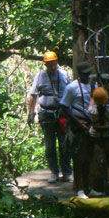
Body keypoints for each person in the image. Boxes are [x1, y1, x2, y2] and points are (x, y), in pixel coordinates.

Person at [27, 51, 72, 183]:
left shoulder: (64, 75)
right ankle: (54, 172)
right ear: (45, 64)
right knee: (50, 145)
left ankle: (66, 172)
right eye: (49, 64)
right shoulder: (40, 76)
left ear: (57, 62)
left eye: (54, 64)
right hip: (46, 114)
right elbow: (33, 95)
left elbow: (71, 92)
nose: (52, 67)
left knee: (65, 144)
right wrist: (31, 113)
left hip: (62, 114)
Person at [60, 61, 100, 199]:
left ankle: (88, 188)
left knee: (89, 157)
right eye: (85, 74)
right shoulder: (71, 88)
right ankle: (79, 188)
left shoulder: (92, 85)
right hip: (77, 126)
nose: (88, 76)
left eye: (89, 73)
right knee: (78, 158)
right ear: (79, 74)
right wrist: (78, 121)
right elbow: (64, 107)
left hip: (90, 125)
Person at [87, 86, 109, 196]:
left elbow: (91, 101)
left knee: (94, 157)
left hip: (96, 136)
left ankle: (93, 181)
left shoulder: (92, 110)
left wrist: (93, 95)